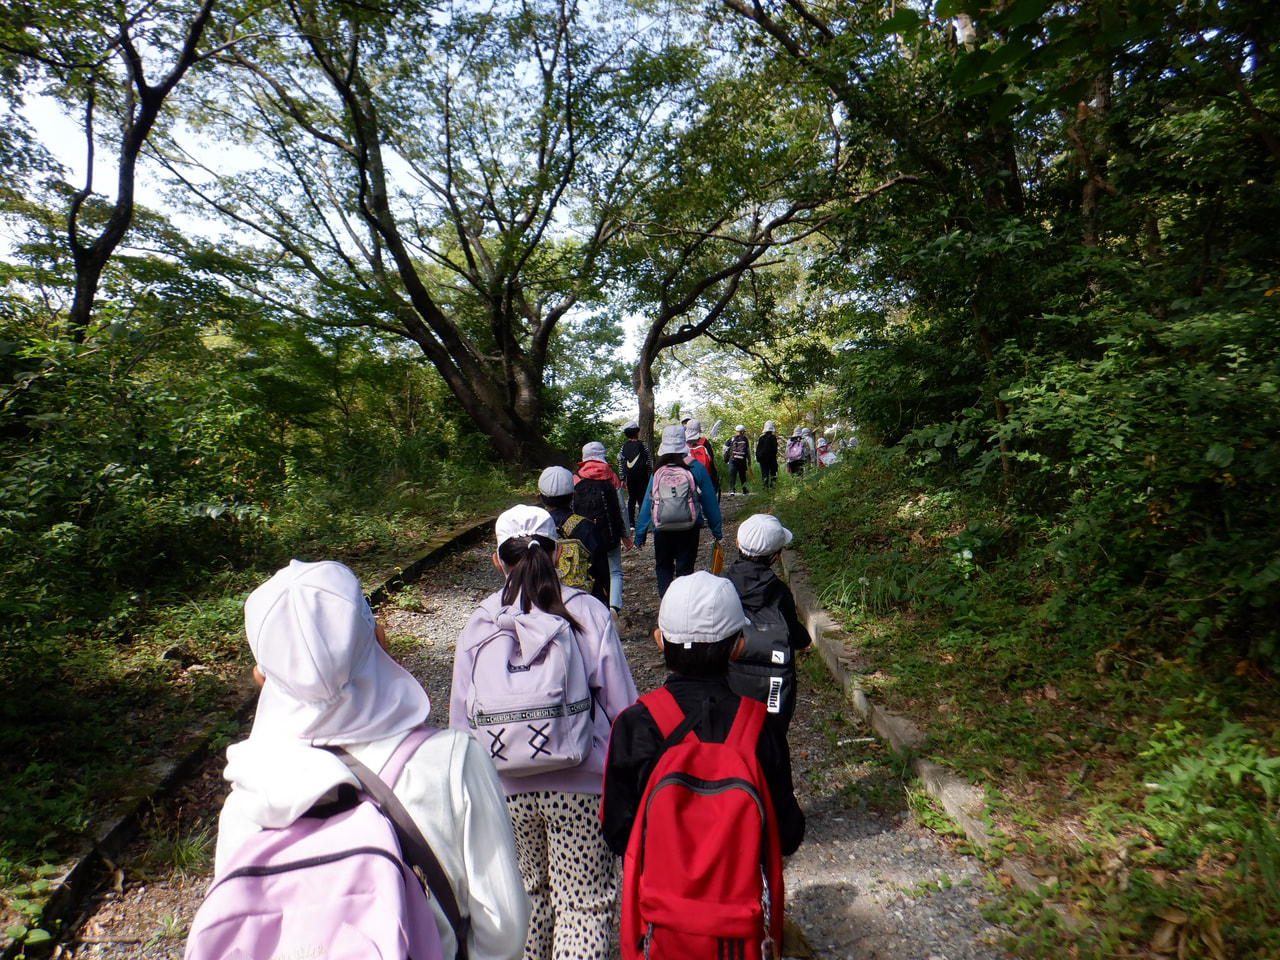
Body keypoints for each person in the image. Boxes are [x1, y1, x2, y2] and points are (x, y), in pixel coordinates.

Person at [214, 559, 530, 960]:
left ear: (263, 676)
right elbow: (504, 932)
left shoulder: (247, 796)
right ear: (379, 640)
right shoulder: (453, 762)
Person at [450, 506, 638, 960]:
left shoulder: (479, 623)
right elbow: (623, 707)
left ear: (498, 560)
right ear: (557, 555)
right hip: (581, 785)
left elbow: (460, 722)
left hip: (504, 793)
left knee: (527, 902)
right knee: (583, 904)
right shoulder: (585, 611)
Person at [601, 572, 805, 953]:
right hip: (736, 932)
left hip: (659, 928)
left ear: (660, 641)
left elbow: (616, 832)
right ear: (738, 647)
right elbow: (788, 835)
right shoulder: (761, 726)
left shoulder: (634, 724)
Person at [721, 513, 811, 734]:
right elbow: (798, 639)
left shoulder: (720, 584)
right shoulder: (779, 592)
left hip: (725, 683)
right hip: (769, 693)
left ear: (737, 543)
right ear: (774, 557)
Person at [632, 424, 723, 597]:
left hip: (662, 527)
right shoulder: (695, 467)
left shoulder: (658, 469)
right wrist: (716, 530)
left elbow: (647, 502)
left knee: (663, 566)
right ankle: (683, 605)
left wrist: (640, 533)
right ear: (683, 442)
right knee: (686, 567)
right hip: (690, 526)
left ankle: (666, 603)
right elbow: (710, 501)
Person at [574, 441, 632, 616]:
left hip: (584, 535)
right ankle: (614, 608)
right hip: (610, 532)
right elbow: (621, 508)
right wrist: (626, 534)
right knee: (615, 571)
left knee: (588, 570)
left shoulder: (576, 478)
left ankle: (592, 609)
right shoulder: (611, 476)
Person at [538, 466, 609, 606]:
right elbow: (601, 570)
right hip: (585, 602)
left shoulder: (535, 527)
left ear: (539, 497)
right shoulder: (586, 527)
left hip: (545, 601)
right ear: (574, 495)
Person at [617, 421, 652, 530]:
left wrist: (622, 478)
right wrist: (650, 474)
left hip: (630, 477)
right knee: (642, 499)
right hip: (643, 476)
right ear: (637, 432)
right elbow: (649, 460)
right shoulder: (643, 444)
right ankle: (644, 522)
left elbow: (621, 462)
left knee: (631, 499)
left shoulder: (624, 447)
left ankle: (631, 523)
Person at [683, 418, 721, 498]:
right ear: (699, 429)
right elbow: (711, 459)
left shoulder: (684, 444)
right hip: (705, 474)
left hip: (688, 475)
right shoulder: (704, 442)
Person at [723, 423, 751, 495]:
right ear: (743, 432)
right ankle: (744, 491)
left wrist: (725, 457)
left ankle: (732, 491)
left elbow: (725, 448)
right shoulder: (745, 439)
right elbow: (747, 450)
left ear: (736, 431)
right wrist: (749, 460)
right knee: (742, 475)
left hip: (733, 459)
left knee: (733, 475)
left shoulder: (732, 439)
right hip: (742, 460)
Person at [755, 420, 779, 489]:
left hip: (763, 459)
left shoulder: (761, 438)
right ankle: (772, 487)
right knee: (773, 473)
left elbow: (758, 448)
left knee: (764, 474)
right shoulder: (773, 438)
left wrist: (758, 458)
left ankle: (765, 487)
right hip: (772, 459)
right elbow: (775, 449)